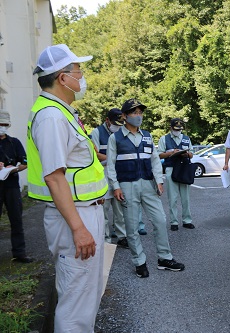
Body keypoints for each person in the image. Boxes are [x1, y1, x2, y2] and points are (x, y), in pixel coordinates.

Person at [28, 44, 109, 332]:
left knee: (85, 296)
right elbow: (54, 177)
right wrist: (78, 228)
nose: (82, 76)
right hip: (74, 216)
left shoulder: (61, 112)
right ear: (63, 78)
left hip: (83, 213)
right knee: (76, 304)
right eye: (78, 71)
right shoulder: (51, 116)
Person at [107, 98, 185, 277]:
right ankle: (139, 262)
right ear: (125, 116)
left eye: (140, 112)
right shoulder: (115, 138)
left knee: (160, 220)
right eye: (134, 113)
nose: (138, 116)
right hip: (127, 186)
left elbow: (155, 160)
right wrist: (116, 186)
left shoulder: (148, 136)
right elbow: (110, 165)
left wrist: (159, 180)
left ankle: (164, 258)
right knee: (132, 227)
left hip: (149, 185)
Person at [90, 108, 130, 246]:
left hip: (118, 175)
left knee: (119, 209)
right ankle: (105, 239)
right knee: (104, 210)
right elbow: (94, 154)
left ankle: (122, 236)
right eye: (115, 124)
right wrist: (112, 159)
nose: (117, 127)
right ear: (107, 121)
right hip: (103, 175)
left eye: (120, 124)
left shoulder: (121, 132)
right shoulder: (96, 133)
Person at [0, 112, 31, 263]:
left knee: (16, 219)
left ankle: (19, 253)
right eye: (0, 125)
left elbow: (25, 162)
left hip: (11, 186)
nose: (2, 128)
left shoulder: (14, 143)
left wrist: (14, 169)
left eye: (5, 125)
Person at [158, 118, 195, 231]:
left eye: (180, 129)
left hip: (184, 168)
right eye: (176, 129)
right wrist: (170, 153)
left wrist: (187, 154)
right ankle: (174, 221)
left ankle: (187, 220)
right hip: (171, 168)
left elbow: (192, 154)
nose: (178, 131)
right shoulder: (164, 139)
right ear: (171, 128)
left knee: (185, 198)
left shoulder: (186, 138)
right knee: (172, 198)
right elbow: (159, 155)